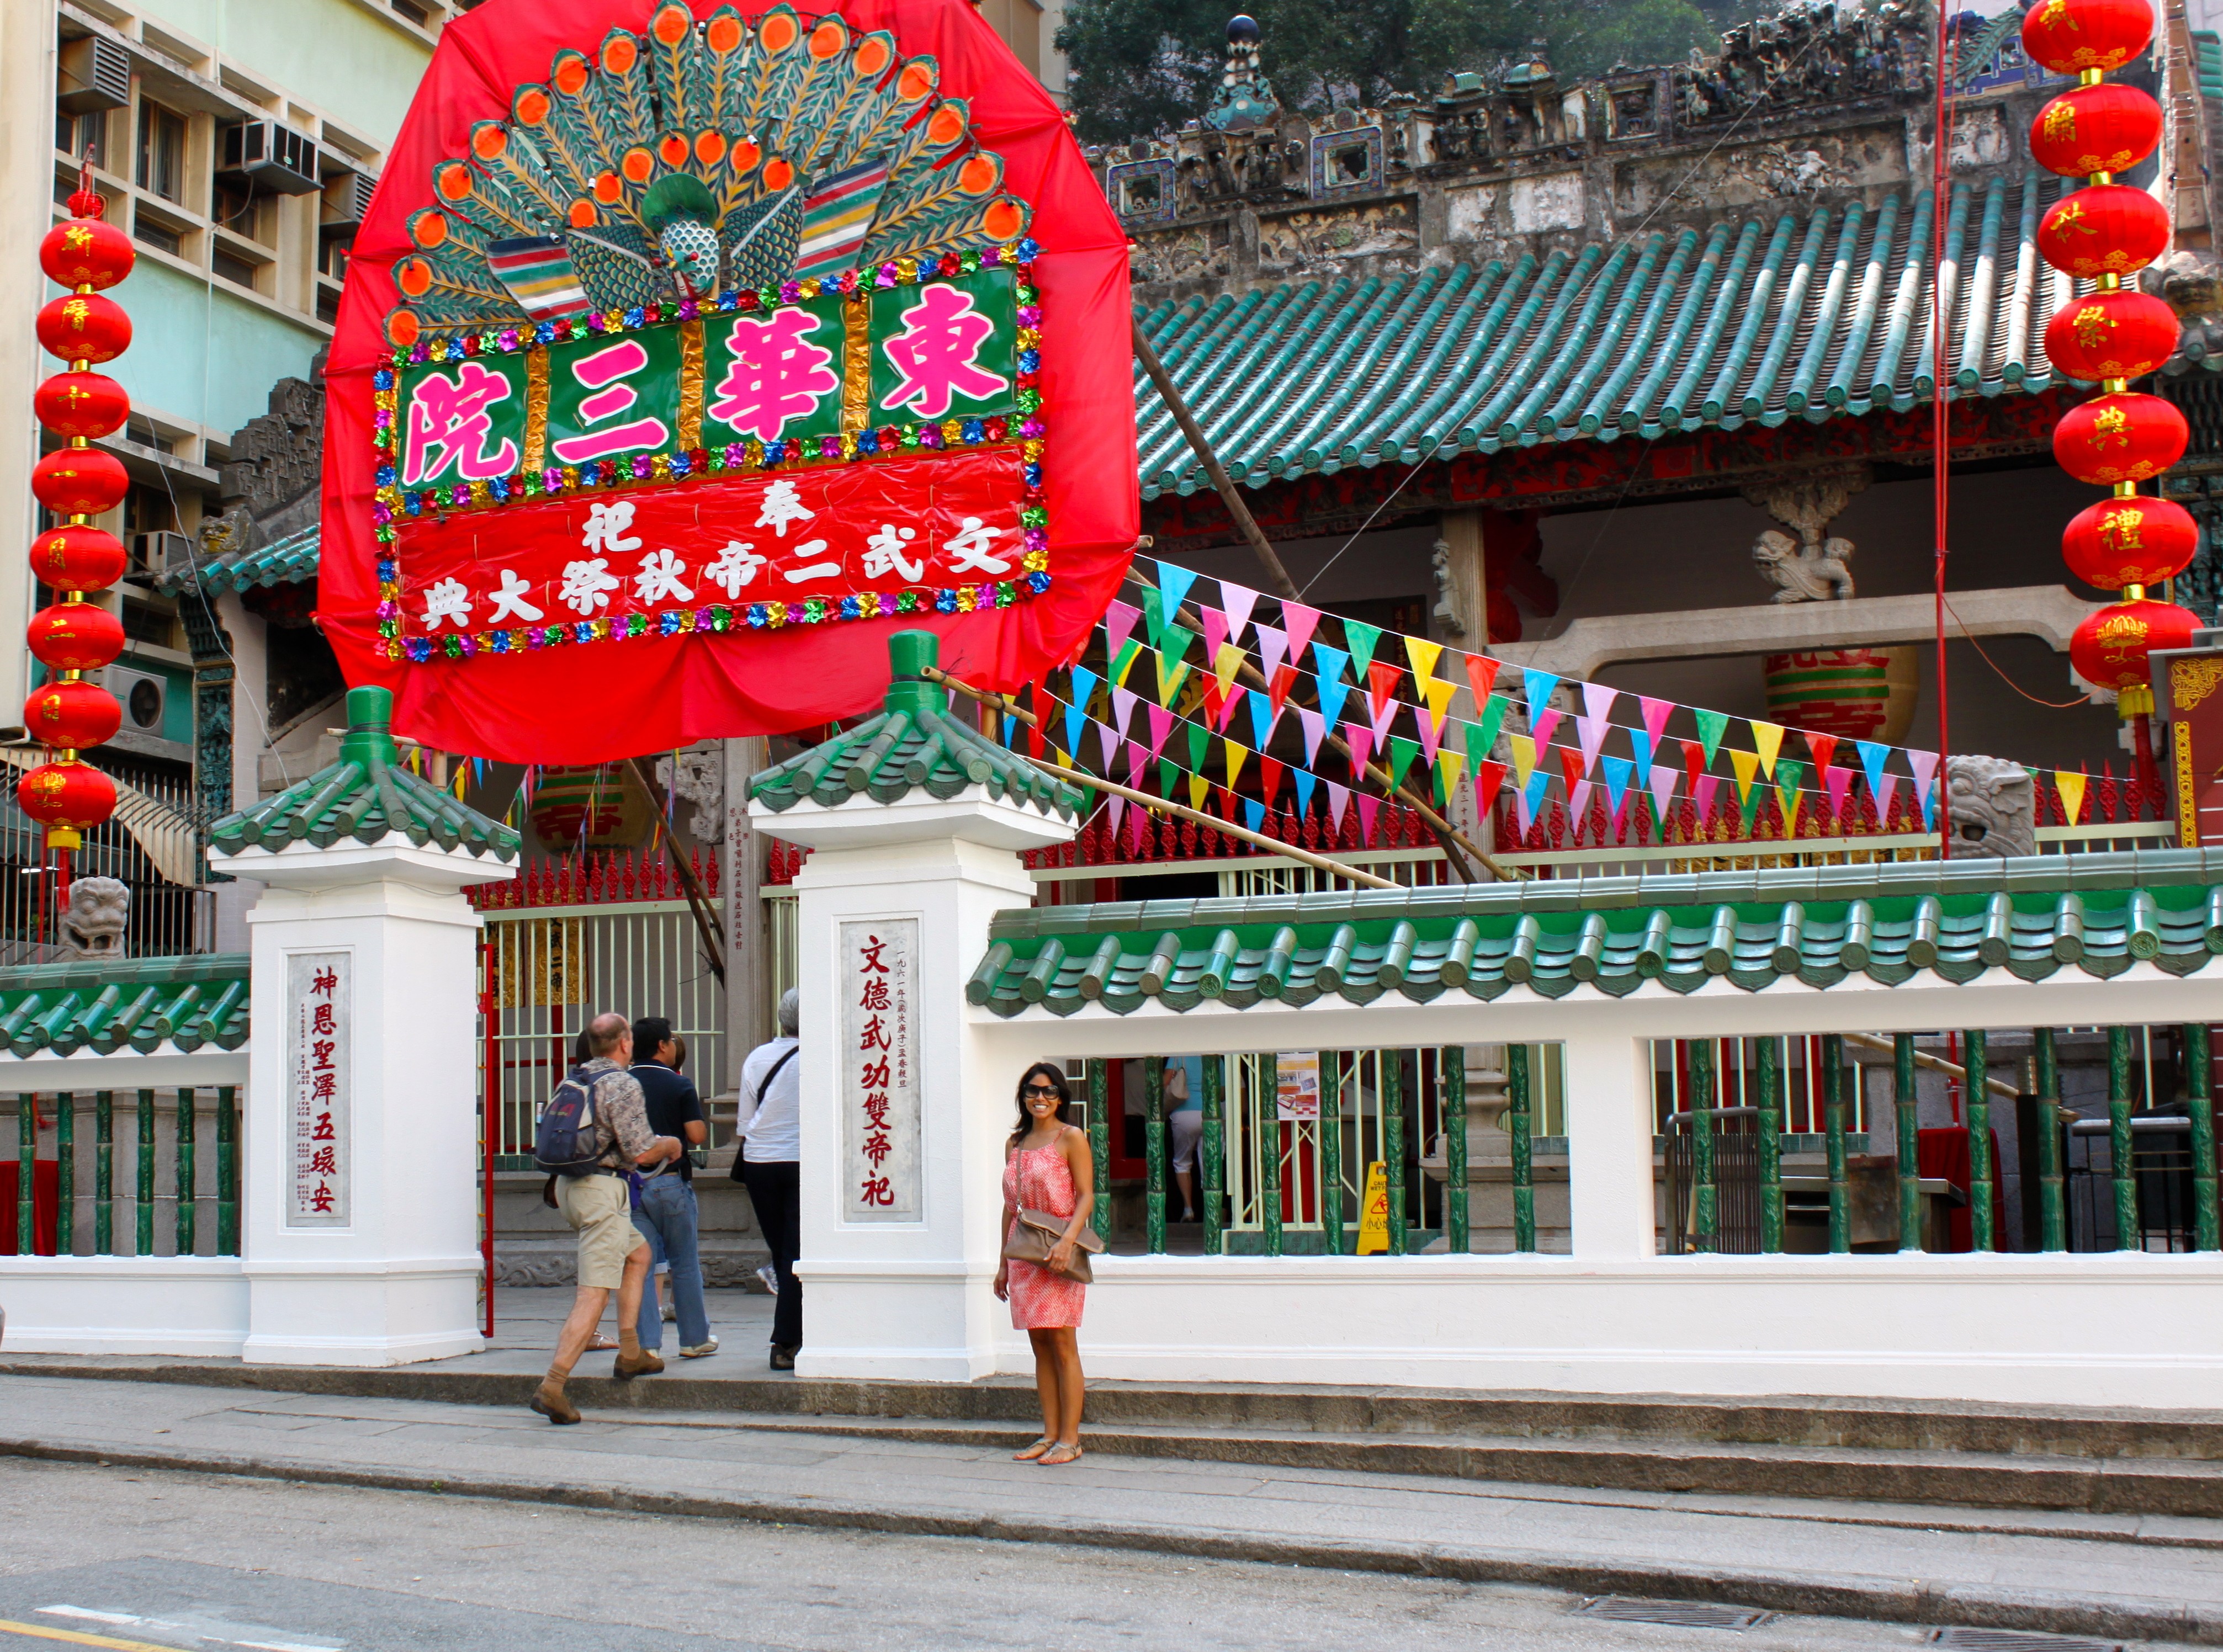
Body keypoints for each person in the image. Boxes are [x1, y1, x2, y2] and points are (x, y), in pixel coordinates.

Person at [530, 1012, 682, 1425]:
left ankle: (631, 1353)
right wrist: (670, 1143)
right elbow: (639, 1150)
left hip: (570, 1188)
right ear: (625, 1042)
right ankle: (553, 1385)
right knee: (593, 1292)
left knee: (638, 1254)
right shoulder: (622, 1082)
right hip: (601, 1191)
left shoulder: (573, 1080)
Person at [994, 1062, 1095, 1466]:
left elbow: (1086, 1195)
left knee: (1063, 1345)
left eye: (1050, 1091)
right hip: (1025, 1256)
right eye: (1033, 1091)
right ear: (1023, 1096)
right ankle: (1050, 1433)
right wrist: (1002, 1261)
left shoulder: (1071, 1138)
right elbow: (1010, 1208)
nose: (1040, 1098)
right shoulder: (1014, 1143)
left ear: (1060, 1097)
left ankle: (1070, 1438)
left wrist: (1068, 1242)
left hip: (1059, 1254)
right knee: (1039, 1346)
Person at [629, 1016, 716, 1360]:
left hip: (632, 1186)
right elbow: (696, 1135)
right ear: (664, 1046)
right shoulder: (679, 1084)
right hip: (671, 1183)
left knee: (641, 1267)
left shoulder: (623, 1083)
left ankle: (647, 1346)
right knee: (684, 1263)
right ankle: (694, 1340)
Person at [736, 988, 803, 1369]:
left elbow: (745, 1121)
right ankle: (786, 1341)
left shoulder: (756, 1057)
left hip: (758, 1161)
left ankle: (790, 1335)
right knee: (795, 1253)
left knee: (782, 1252)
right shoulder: (818, 1056)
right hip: (799, 1160)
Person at [1166, 1058, 1203, 1223]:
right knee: (1210, 1162)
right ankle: (1212, 1209)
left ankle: (1188, 1209)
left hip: (1184, 1112)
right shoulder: (1215, 1057)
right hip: (1211, 1114)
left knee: (1182, 1162)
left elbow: (1166, 1081)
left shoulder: (1178, 1055)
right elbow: (1223, 1090)